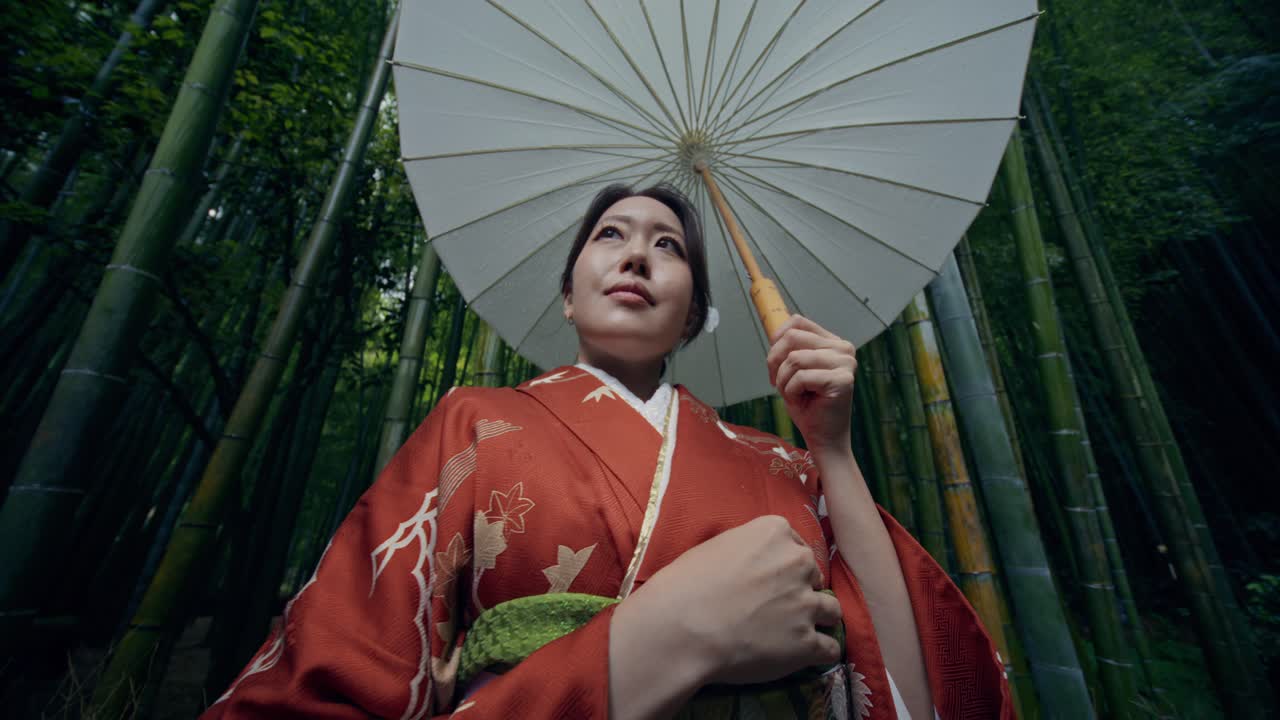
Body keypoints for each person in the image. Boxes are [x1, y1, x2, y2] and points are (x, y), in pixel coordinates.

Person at [203, 184, 1012, 719]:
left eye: (670, 246)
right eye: (611, 235)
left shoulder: (780, 461)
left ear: (695, 310)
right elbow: (344, 663)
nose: (636, 254)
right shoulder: (473, 422)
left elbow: (900, 685)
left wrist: (832, 448)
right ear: (569, 289)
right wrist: (660, 641)